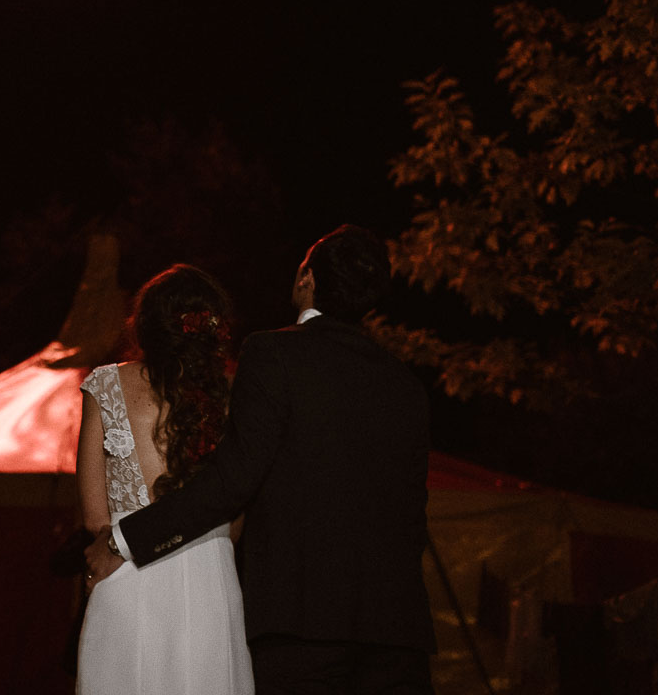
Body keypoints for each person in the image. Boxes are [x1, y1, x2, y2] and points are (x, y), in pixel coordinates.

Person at [85, 225, 436, 695]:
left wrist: (122, 541)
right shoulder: (405, 384)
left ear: (306, 278)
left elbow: (233, 479)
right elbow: (413, 513)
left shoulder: (274, 354)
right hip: (397, 632)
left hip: (302, 625)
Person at [75, 264, 253, 694]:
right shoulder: (234, 395)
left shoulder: (105, 385)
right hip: (212, 584)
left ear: (146, 322)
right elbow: (234, 522)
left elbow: (94, 515)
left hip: (124, 578)